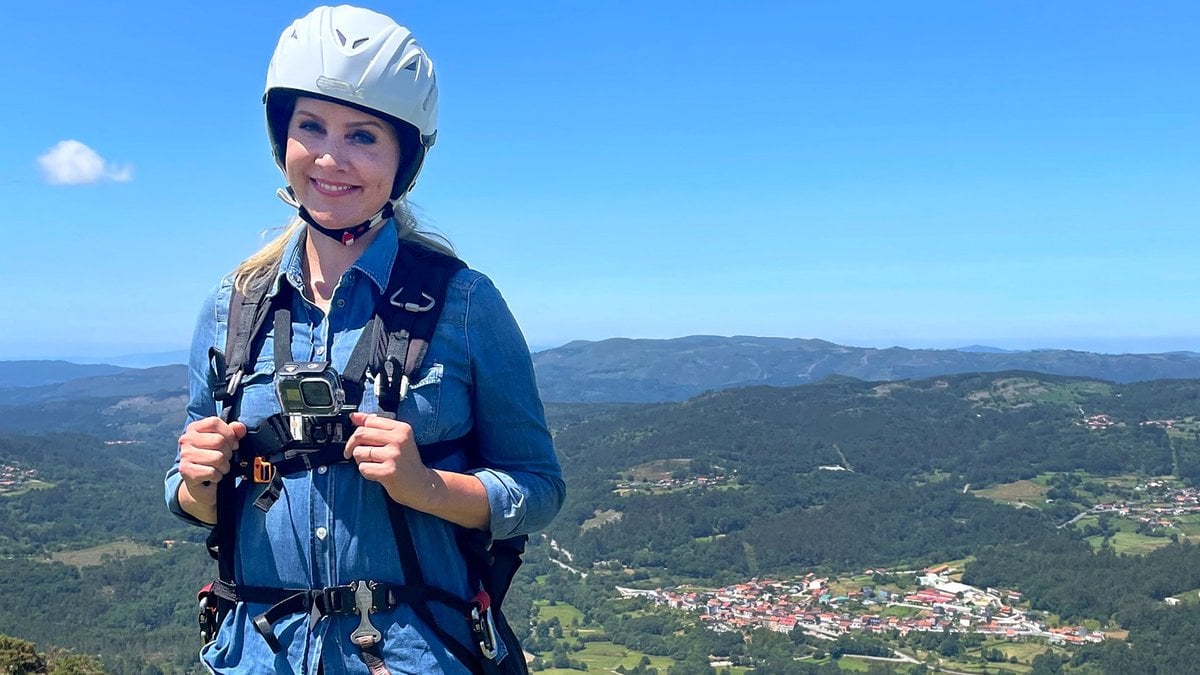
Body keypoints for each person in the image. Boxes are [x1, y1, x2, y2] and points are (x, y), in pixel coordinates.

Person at [163, 6, 564, 674]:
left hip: (417, 653)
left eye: (363, 136)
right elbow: (185, 490)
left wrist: (428, 486)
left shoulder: (464, 305)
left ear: (402, 158)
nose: (329, 157)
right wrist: (198, 483)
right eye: (310, 126)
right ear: (280, 138)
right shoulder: (233, 310)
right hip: (258, 654)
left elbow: (539, 488)